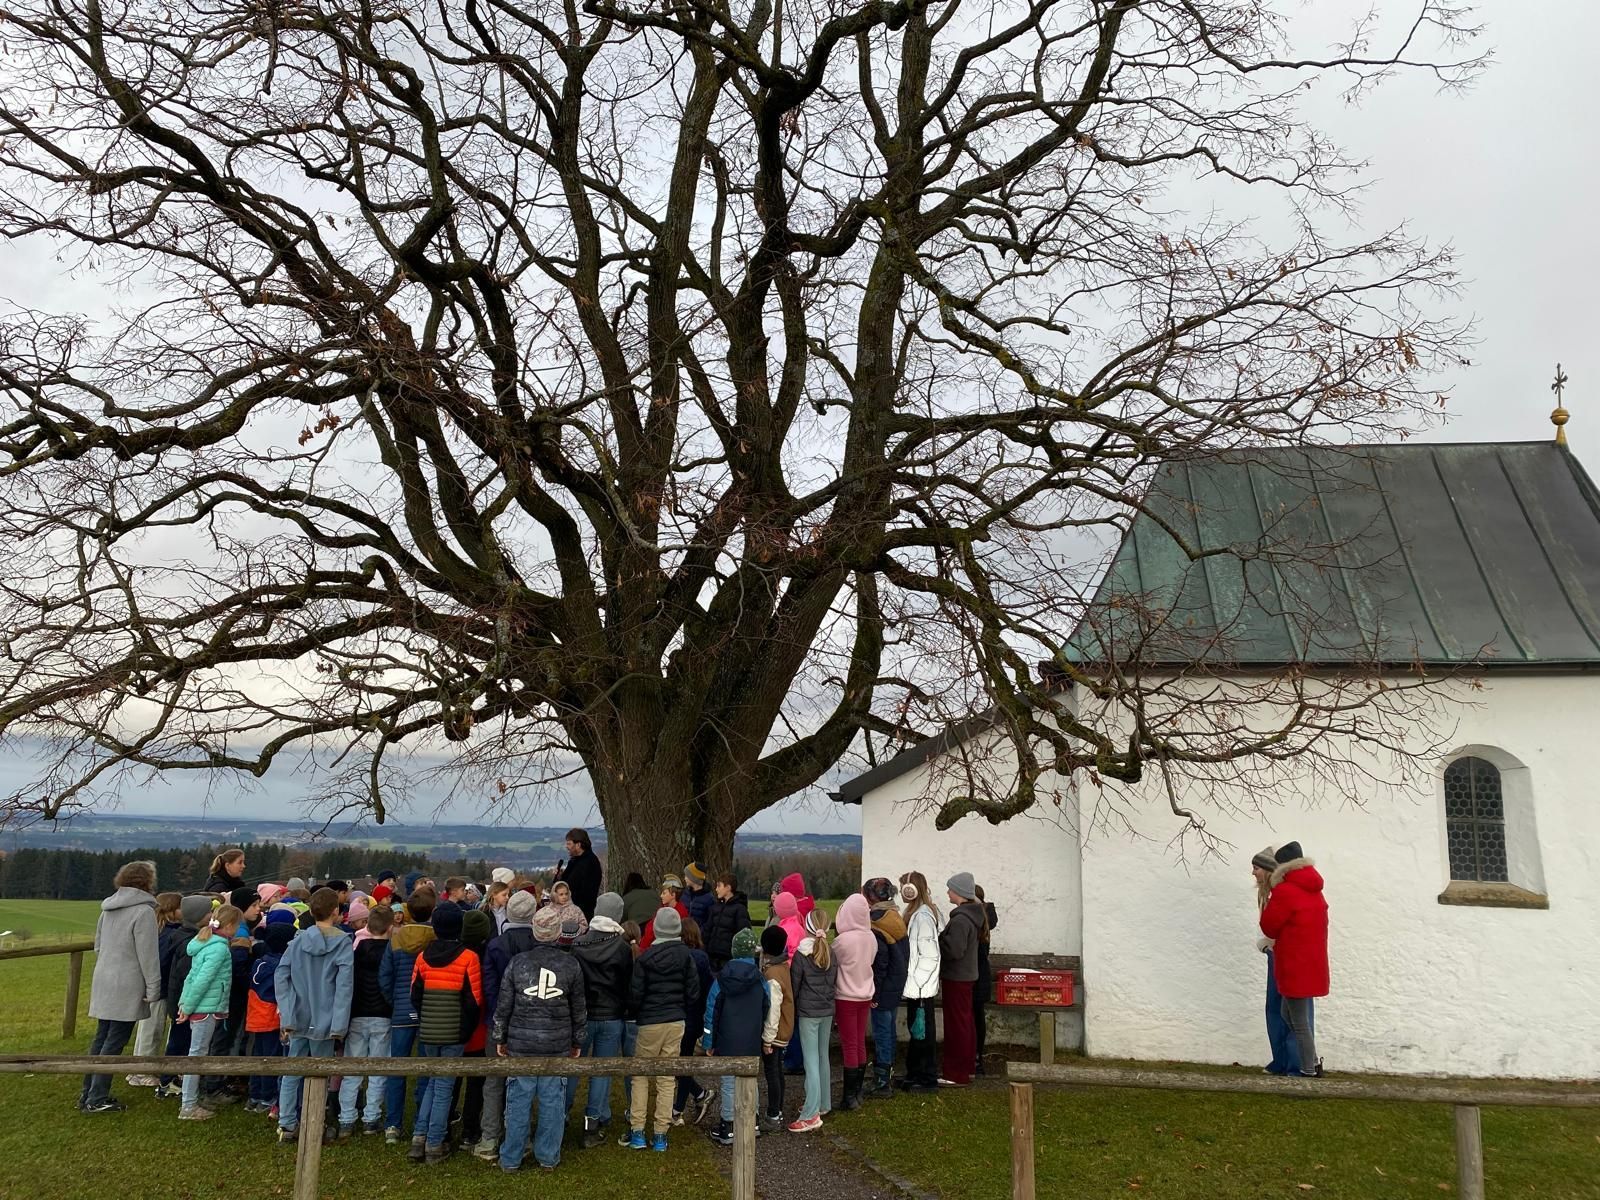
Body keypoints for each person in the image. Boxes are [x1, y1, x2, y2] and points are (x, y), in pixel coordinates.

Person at [495, 905, 587, 1172]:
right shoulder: (570, 965)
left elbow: (504, 1006)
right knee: (552, 1102)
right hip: (555, 1043)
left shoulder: (518, 963)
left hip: (522, 1043)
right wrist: (577, 1041)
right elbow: (579, 1009)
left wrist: (500, 1036)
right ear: (558, 933)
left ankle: (512, 1156)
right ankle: (547, 1155)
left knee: (518, 1102)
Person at [80, 860, 162, 1115]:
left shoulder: (108, 909)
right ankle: (97, 1097)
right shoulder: (143, 912)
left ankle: (88, 1093)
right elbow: (148, 956)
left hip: (104, 978)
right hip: (127, 982)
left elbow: (98, 946)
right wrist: (154, 988)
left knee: (101, 1037)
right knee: (114, 1041)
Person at [274, 888, 355, 1142]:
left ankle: (287, 1122)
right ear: (336, 911)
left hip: (298, 1016)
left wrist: (287, 1013)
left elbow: (281, 976)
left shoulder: (297, 942)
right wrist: (339, 1024)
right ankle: (315, 1122)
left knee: (293, 1070)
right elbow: (344, 986)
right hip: (327, 1019)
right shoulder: (343, 944)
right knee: (321, 1072)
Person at [408, 901, 482, 1164]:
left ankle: (419, 1136)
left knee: (432, 1083)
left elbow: (415, 994)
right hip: (454, 1031)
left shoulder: (422, 957)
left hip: (429, 1029)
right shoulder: (468, 957)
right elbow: (474, 1001)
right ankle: (435, 1142)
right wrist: (465, 1030)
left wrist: (427, 1018)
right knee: (444, 1089)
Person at [627, 906, 700, 1152]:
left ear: (656, 928)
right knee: (667, 1077)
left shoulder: (645, 958)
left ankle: (638, 1130)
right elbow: (693, 991)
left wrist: (638, 1011)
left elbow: (635, 995)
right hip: (675, 1020)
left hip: (650, 1021)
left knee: (641, 1075)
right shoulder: (686, 956)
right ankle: (660, 1134)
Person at [475, 888, 538, 1161]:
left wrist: (496, 1016)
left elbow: (490, 988)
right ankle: (521, 1136)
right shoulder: (538, 945)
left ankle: (490, 1137)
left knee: (494, 1080)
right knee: (524, 1080)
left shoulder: (496, 945)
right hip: (529, 1020)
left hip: (499, 1018)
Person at [570, 891, 634, 1148]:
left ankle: (561, 1114)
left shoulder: (578, 944)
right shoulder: (622, 948)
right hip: (611, 1015)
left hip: (583, 1015)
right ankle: (592, 1123)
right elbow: (626, 984)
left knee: (572, 1068)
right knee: (601, 1072)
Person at [1260, 840, 1328, 1078]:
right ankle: (1312, 1062)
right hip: (1311, 962)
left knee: (1298, 1021)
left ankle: (1309, 1069)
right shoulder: (1315, 891)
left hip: (1293, 963)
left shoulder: (1285, 891)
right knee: (1289, 1014)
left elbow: (1269, 926)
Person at [702, 926, 770, 1145]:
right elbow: (767, 1007)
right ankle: (752, 1120)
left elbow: (711, 1012)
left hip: (727, 1039)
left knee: (729, 1081)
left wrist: (709, 1042)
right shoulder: (760, 980)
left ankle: (729, 1124)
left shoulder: (721, 980)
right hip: (751, 1038)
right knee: (750, 1080)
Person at [177, 902, 242, 1121]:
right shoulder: (219, 948)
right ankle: (188, 1105)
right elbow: (202, 979)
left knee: (197, 1053)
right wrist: (188, 1006)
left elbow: (192, 976)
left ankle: (192, 1099)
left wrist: (184, 1003)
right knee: (196, 1056)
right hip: (206, 1007)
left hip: (202, 1005)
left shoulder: (205, 943)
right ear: (230, 925)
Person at [383, 885, 436, 1143]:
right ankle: (421, 1125)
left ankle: (392, 1124)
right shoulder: (435, 939)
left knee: (398, 1068)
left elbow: (385, 976)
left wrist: (394, 1000)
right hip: (428, 1011)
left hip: (402, 1010)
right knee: (425, 1069)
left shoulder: (395, 940)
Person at [339, 902, 395, 1136]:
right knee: (377, 1068)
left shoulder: (355, 951)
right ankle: (371, 1117)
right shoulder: (391, 953)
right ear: (390, 927)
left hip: (358, 1012)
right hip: (382, 1014)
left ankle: (346, 1118)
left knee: (352, 1068)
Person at [157, 895, 217, 1100]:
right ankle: (167, 1080)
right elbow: (187, 974)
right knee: (179, 1041)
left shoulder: (184, 936)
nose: (212, 915)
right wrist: (187, 1002)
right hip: (184, 1001)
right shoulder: (188, 943)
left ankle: (176, 1077)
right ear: (199, 916)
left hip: (183, 999)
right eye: (208, 912)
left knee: (182, 1039)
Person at [125, 890, 182, 1090]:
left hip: (155, 986)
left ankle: (139, 1067)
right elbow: (162, 962)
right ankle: (142, 1071)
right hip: (159, 987)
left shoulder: (160, 931)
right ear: (171, 910)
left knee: (148, 1029)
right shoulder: (166, 934)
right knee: (152, 1030)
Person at [1252, 846, 1300, 1075]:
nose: (1253, 872)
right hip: (1275, 954)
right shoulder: (1267, 895)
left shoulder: (1282, 893)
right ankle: (1280, 1060)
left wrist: (1269, 942)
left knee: (1291, 1010)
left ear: (1269, 870)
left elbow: (1280, 925)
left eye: (1257, 868)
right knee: (1274, 1008)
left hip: (1288, 956)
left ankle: (1296, 1064)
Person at [788, 908, 836, 1133]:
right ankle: (822, 1103)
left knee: (811, 1062)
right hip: (827, 1010)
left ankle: (810, 1114)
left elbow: (795, 985)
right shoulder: (831, 951)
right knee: (822, 1057)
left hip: (808, 1013)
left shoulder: (801, 954)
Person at [245, 912, 295, 1114]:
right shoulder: (281, 965)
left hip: (256, 1016)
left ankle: (254, 1094)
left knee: (258, 1055)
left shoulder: (260, 961)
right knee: (270, 1058)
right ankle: (267, 1096)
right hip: (271, 1017)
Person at [937, 872, 984, 1088]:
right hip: (966, 976)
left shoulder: (961, 920)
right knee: (965, 1023)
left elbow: (954, 951)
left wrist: (938, 940)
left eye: (950, 889)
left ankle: (955, 1073)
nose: (948, 892)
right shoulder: (972, 916)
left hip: (957, 977)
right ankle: (967, 1068)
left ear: (959, 892)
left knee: (956, 1026)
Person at [831, 893, 876, 1111]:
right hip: (865, 994)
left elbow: (832, 962)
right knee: (859, 1042)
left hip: (846, 996)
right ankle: (856, 1092)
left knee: (849, 1044)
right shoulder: (871, 938)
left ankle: (849, 1098)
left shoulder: (842, 941)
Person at [898, 872, 942, 1093]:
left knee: (923, 1033)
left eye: (903, 887)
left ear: (911, 889)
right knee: (917, 1032)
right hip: (916, 987)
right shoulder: (916, 913)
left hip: (921, 988)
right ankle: (914, 1073)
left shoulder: (923, 917)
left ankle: (927, 1078)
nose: (901, 891)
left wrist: (920, 986)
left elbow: (929, 956)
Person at [864, 878, 908, 1098]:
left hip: (882, 987)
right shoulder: (894, 916)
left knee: (882, 1032)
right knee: (889, 1030)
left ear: (871, 897)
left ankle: (882, 1082)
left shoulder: (876, 924)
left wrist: (875, 993)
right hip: (896, 983)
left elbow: (880, 964)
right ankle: (888, 1072)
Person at [672, 917, 715, 1124]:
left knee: (679, 1064)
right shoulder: (702, 958)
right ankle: (698, 1095)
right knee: (682, 1061)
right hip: (694, 1016)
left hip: (680, 1014)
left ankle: (678, 1109)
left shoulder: (680, 956)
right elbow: (708, 988)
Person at [757, 925, 795, 1131]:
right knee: (777, 1070)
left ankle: (773, 1114)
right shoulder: (783, 967)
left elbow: (773, 1008)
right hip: (784, 1027)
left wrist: (767, 1038)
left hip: (776, 1031)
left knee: (772, 1071)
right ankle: (777, 1110)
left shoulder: (772, 974)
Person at [973, 883, 998, 1075]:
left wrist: (977, 902)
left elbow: (991, 919)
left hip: (978, 974)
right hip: (974, 973)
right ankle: (973, 1055)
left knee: (977, 1016)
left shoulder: (984, 915)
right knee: (973, 1016)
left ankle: (977, 1056)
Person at [703, 874, 752, 972]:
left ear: (728, 887)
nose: (716, 889)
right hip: (712, 957)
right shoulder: (715, 907)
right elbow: (707, 930)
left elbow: (743, 934)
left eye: (719, 886)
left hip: (728, 959)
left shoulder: (739, 909)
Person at [555, 828, 603, 921]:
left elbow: (585, 893)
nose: (566, 847)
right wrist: (559, 877)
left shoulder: (590, 863)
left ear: (578, 845)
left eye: (569, 844)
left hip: (581, 916)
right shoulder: (575, 860)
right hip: (570, 912)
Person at [639, 875, 688, 950]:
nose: (661, 896)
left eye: (664, 893)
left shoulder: (680, 913)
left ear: (673, 894)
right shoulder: (661, 910)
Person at [682, 862, 714, 929]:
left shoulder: (709, 899)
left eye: (687, 876)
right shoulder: (685, 894)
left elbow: (709, 923)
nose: (684, 878)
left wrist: (699, 933)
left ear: (693, 878)